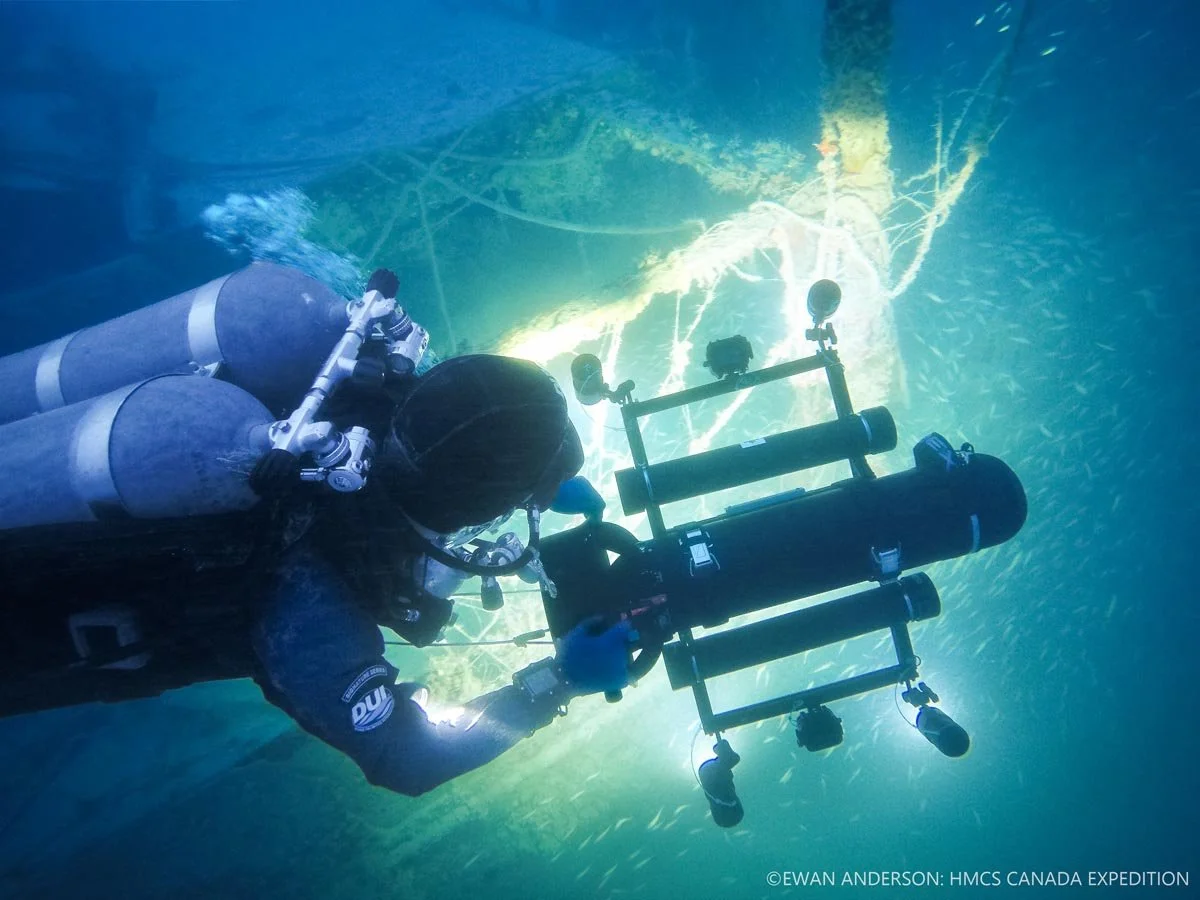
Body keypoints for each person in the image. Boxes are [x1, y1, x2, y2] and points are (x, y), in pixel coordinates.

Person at [249, 350, 635, 796]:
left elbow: (480, 407)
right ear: (481, 506)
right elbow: (407, 759)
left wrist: (545, 480)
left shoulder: (394, 412)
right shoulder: (308, 609)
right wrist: (562, 682)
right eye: (517, 499)